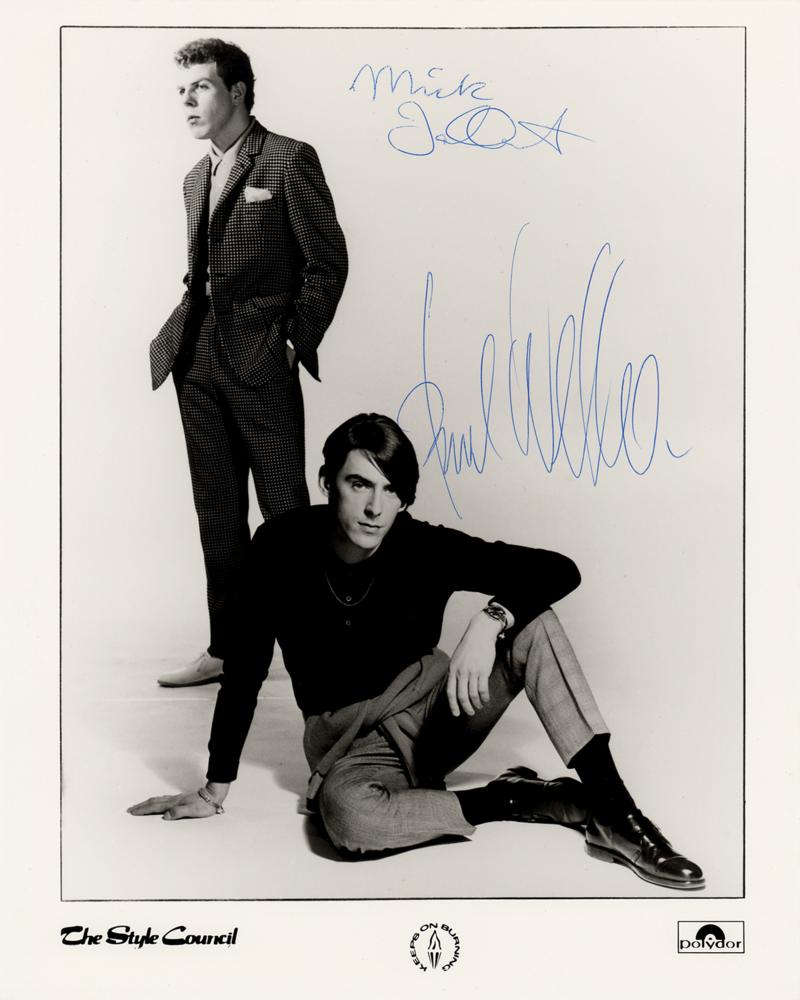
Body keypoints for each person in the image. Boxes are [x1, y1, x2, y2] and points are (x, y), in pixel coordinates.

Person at [130, 414, 704, 891]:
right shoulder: (280, 547)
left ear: (403, 498)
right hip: (350, 747)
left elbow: (560, 569)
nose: (375, 508)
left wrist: (490, 620)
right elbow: (246, 668)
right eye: (360, 484)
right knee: (349, 820)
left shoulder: (421, 545)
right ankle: (511, 799)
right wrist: (215, 787)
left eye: (391, 491)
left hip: (437, 716)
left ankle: (618, 813)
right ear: (327, 481)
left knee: (535, 623)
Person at [150, 38, 348, 687]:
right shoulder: (194, 178)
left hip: (261, 358)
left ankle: (315, 649)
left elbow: (328, 263)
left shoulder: (289, 159)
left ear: (236, 91)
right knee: (216, 511)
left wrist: (292, 342)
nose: (187, 100)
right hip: (196, 356)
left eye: (201, 86)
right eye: (182, 90)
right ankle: (228, 647)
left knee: (286, 511)